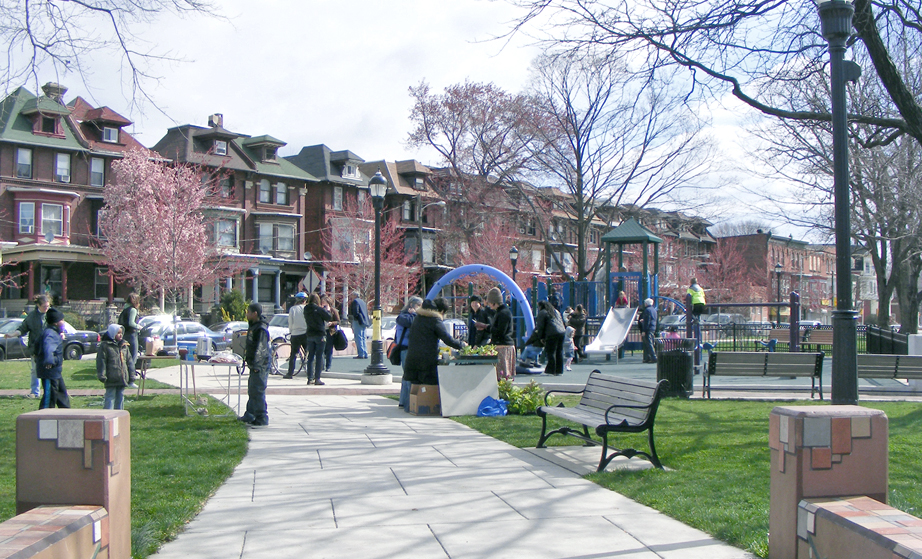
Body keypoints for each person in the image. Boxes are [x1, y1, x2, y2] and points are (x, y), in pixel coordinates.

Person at [402, 298, 465, 393]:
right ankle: (428, 406)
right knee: (429, 388)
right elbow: (447, 338)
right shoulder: (434, 320)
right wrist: (462, 345)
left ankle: (412, 407)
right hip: (427, 361)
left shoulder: (417, 318)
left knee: (415, 389)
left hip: (412, 358)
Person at [6, 294, 49, 397]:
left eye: (48, 306)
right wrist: (12, 334)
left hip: (49, 347)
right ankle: (35, 392)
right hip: (36, 348)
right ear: (38, 305)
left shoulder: (51, 314)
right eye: (44, 306)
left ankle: (49, 392)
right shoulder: (32, 316)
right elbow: (23, 329)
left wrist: (61, 333)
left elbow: (59, 325)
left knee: (49, 370)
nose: (46, 308)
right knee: (35, 370)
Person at [241, 302, 271, 427]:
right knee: (252, 389)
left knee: (258, 390)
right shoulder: (253, 326)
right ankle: (250, 413)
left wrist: (257, 366)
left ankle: (261, 417)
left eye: (248, 312)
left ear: (255, 314)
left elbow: (261, 348)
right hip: (254, 363)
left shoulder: (261, 329)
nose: (246, 314)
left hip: (260, 364)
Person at [38, 307, 70, 409]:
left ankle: (66, 413)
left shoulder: (54, 333)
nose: (64, 322)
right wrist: (49, 361)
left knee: (61, 392)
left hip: (55, 370)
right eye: (62, 320)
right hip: (49, 370)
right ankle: (44, 415)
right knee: (50, 395)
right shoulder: (50, 333)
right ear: (55, 322)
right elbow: (48, 348)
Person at [525, 300, 566, 376]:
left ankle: (551, 370)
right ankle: (559, 370)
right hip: (562, 332)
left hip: (552, 333)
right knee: (559, 352)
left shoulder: (543, 312)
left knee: (551, 352)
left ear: (541, 306)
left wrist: (541, 337)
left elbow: (540, 327)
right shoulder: (555, 311)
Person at [395, 296, 423, 409]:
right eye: (419, 305)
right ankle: (407, 402)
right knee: (408, 376)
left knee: (406, 376)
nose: (421, 308)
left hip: (409, 349)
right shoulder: (403, 317)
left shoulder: (409, 316)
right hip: (405, 349)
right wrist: (415, 314)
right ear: (412, 305)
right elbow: (412, 323)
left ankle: (403, 401)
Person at [484, 287, 516, 380]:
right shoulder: (501, 312)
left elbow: (500, 331)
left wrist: (486, 327)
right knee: (503, 376)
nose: (489, 305)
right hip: (502, 345)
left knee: (502, 376)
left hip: (503, 346)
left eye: (489, 303)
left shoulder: (503, 313)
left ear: (494, 302)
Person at [96, 324, 129, 409]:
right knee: (110, 397)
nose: (120, 335)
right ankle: (108, 415)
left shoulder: (124, 346)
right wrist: (102, 374)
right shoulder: (105, 346)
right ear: (112, 333)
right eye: (118, 333)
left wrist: (131, 374)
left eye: (121, 333)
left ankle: (119, 415)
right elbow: (101, 361)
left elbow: (129, 361)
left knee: (120, 396)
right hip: (111, 377)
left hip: (122, 377)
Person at [303, 293, 332, 385]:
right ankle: (317, 378)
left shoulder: (306, 309)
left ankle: (309, 378)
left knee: (310, 356)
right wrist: (327, 310)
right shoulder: (319, 309)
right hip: (319, 334)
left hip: (310, 334)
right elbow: (328, 317)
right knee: (319, 356)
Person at [283, 292, 308, 379]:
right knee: (308, 353)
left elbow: (290, 322)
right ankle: (310, 372)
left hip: (295, 334)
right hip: (305, 333)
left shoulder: (292, 309)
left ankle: (290, 373)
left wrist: (291, 331)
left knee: (293, 354)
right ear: (304, 300)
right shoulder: (306, 308)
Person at [119, 293, 141, 387]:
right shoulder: (132, 310)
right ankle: (131, 380)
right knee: (132, 357)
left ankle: (125, 378)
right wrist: (139, 327)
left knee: (126, 357)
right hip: (131, 334)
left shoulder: (125, 309)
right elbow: (131, 323)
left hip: (124, 334)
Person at [348, 292, 371, 359]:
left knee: (358, 337)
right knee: (363, 337)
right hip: (364, 321)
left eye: (352, 295)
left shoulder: (355, 302)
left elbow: (356, 312)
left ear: (355, 295)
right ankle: (365, 352)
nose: (351, 296)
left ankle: (361, 354)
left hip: (358, 321)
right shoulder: (363, 302)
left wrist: (355, 318)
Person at [323, 296, 341, 372]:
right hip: (322, 331)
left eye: (324, 301)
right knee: (322, 349)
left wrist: (332, 323)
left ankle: (328, 366)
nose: (323, 303)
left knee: (329, 349)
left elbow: (338, 321)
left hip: (330, 332)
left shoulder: (333, 311)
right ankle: (321, 365)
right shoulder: (320, 310)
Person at [641, 298, 658, 363]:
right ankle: (649, 357)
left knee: (648, 343)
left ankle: (653, 357)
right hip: (653, 327)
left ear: (646, 304)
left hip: (648, 328)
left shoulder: (647, 310)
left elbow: (647, 321)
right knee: (650, 342)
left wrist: (644, 330)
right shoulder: (654, 310)